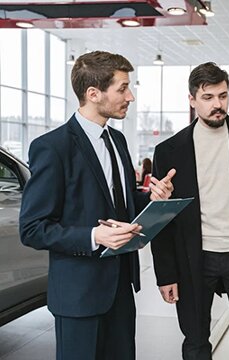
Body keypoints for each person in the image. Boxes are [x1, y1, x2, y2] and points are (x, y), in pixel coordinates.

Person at [19, 51, 175, 360]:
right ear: (93, 93)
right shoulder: (52, 147)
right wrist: (94, 237)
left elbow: (119, 204)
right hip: (78, 295)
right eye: (122, 88)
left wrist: (152, 198)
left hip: (120, 287)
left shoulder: (116, 141)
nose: (130, 96)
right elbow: (33, 228)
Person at [151, 62, 229, 360]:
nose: (217, 105)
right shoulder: (168, 150)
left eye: (223, 96)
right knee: (194, 339)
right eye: (208, 97)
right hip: (194, 258)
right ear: (192, 100)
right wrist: (165, 274)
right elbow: (162, 219)